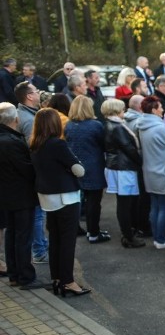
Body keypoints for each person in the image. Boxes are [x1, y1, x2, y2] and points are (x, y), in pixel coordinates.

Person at [29, 108, 90, 297]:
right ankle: (68, 281)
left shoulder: (34, 144)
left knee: (55, 239)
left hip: (47, 197)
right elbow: (79, 170)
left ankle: (57, 278)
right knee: (67, 241)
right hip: (65, 197)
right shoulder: (58, 144)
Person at [0, 103, 39, 289]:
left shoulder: (7, 139)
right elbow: (27, 169)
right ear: (15, 119)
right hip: (20, 195)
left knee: (12, 235)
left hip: (7, 195)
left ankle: (15, 274)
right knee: (22, 236)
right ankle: (24, 275)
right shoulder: (11, 142)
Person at [65, 97, 109, 244]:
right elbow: (104, 145)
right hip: (94, 167)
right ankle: (94, 232)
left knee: (79, 200)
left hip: (75, 167)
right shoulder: (95, 125)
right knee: (94, 202)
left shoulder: (69, 125)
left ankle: (83, 229)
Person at [102, 99, 145, 248]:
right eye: (122, 109)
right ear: (115, 111)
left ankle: (128, 233)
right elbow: (129, 148)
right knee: (125, 203)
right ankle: (128, 236)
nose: (124, 112)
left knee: (123, 202)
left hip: (116, 166)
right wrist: (140, 161)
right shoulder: (117, 127)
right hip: (123, 167)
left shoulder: (109, 124)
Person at [137, 96, 165, 249]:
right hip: (163, 171)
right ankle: (161, 239)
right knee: (163, 207)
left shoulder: (142, 125)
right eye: (160, 107)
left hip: (149, 170)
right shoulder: (159, 127)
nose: (162, 109)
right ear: (154, 110)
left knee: (155, 206)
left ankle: (157, 238)